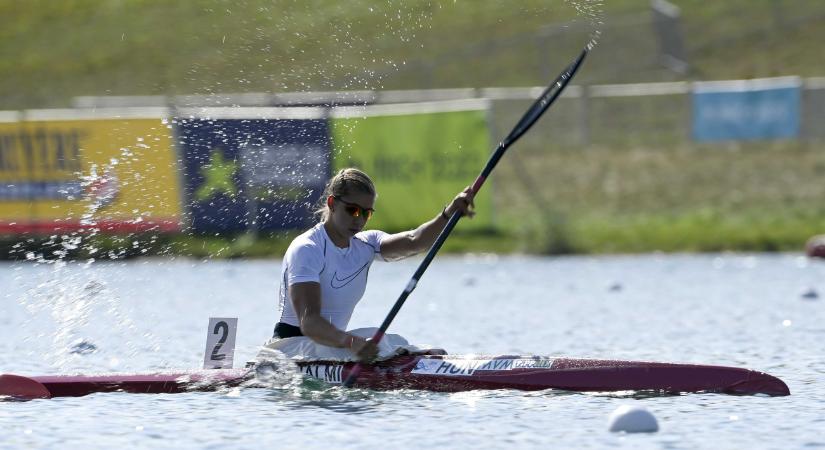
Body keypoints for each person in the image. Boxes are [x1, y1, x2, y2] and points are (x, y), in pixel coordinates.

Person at [273, 167, 475, 362]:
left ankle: (409, 359)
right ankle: (407, 359)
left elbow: (415, 241)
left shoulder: (366, 244)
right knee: (380, 341)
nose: (359, 219)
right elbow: (310, 323)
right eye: (352, 210)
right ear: (332, 203)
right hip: (290, 350)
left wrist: (449, 213)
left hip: (332, 348)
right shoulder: (308, 248)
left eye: (366, 213)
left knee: (384, 338)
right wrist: (350, 342)